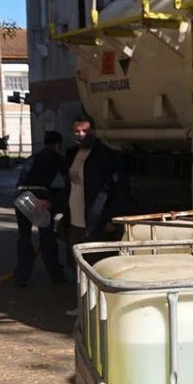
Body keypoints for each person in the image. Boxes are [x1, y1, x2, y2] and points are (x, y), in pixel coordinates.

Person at [60, 112, 133, 314]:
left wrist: (112, 218)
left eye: (85, 130)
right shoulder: (71, 154)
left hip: (95, 219)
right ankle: (83, 305)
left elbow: (119, 190)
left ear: (94, 131)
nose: (80, 134)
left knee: (96, 265)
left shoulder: (106, 156)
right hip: (75, 218)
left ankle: (99, 308)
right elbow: (68, 187)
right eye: (76, 131)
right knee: (78, 265)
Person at [13, 130, 67, 287]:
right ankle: (55, 274)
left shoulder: (33, 157)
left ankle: (21, 276)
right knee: (47, 237)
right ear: (57, 145)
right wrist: (57, 201)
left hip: (20, 195)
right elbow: (69, 181)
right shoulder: (56, 157)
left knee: (24, 237)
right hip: (39, 194)